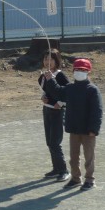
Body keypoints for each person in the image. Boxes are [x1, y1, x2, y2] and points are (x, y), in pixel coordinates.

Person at [44, 57, 102, 191]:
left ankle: (89, 179)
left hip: (88, 131)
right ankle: (76, 179)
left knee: (89, 157)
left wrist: (94, 129)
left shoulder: (92, 90)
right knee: (74, 157)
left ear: (88, 72)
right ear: (73, 71)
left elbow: (97, 111)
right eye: (77, 69)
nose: (79, 72)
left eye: (83, 70)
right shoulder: (70, 88)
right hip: (74, 129)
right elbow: (58, 92)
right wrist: (50, 79)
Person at [38, 49, 70, 182]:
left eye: (51, 59)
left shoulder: (60, 75)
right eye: (45, 59)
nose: (47, 62)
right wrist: (43, 97)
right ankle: (56, 168)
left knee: (55, 142)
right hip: (47, 111)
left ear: (57, 61)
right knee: (49, 142)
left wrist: (61, 103)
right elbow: (45, 91)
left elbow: (68, 93)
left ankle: (64, 170)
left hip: (58, 112)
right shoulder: (43, 76)